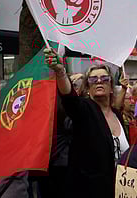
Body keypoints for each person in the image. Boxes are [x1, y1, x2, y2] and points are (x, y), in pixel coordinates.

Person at [44, 48, 129, 198]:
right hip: (89, 191)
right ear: (88, 88)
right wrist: (60, 72)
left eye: (104, 78)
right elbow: (70, 100)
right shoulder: (85, 109)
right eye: (92, 79)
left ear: (111, 87)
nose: (98, 81)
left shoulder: (116, 115)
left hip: (119, 190)